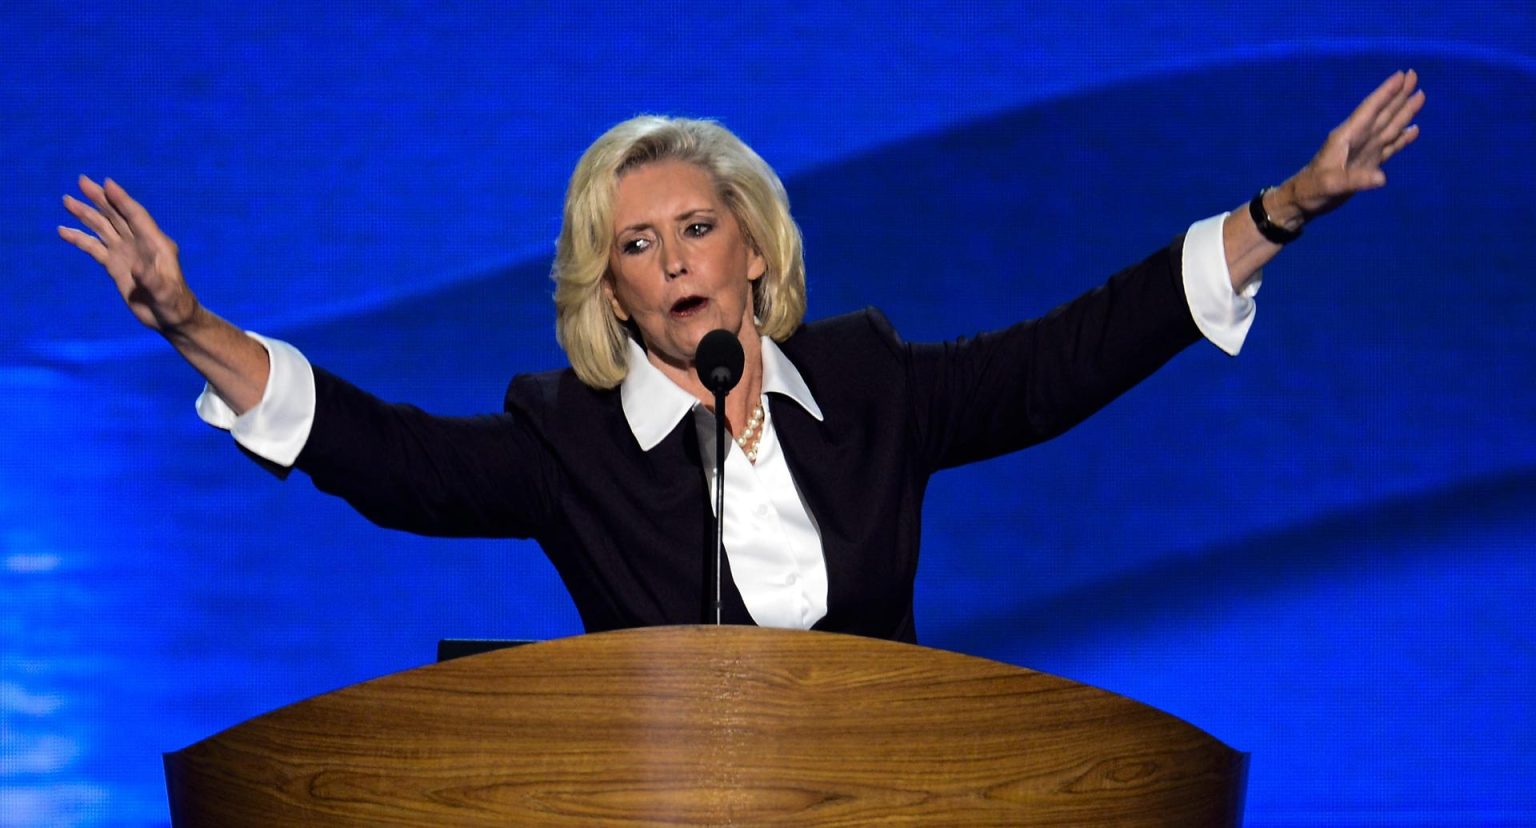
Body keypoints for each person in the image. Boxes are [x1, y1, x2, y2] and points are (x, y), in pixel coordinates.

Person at [59, 72, 1424, 643]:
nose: (674, 262)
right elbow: (388, 457)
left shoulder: (877, 389)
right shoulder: (568, 443)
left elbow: (1071, 355)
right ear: (612, 288)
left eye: (697, 228)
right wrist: (189, 323)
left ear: (754, 247)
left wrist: (1283, 212)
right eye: (637, 246)